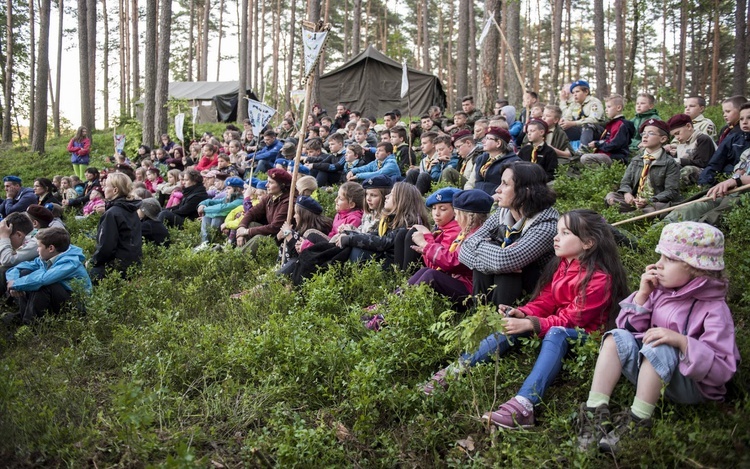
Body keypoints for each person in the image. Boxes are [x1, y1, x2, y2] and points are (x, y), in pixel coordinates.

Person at [576, 222, 739, 453]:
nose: (658, 265)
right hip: (652, 374)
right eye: (660, 256)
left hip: (691, 386)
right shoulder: (661, 292)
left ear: (698, 269)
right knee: (615, 337)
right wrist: (642, 296)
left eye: (670, 259)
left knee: (660, 345)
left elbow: (722, 369)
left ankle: (638, 420)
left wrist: (681, 341)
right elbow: (629, 329)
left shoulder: (714, 310)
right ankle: (595, 411)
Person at [470, 211, 628, 429]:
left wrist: (533, 323)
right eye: (557, 232)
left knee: (555, 332)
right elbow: (547, 300)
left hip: (587, 337)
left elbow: (573, 319)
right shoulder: (563, 264)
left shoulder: (600, 279)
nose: (556, 238)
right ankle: (459, 368)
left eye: (565, 233)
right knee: (514, 326)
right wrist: (523, 313)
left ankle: (525, 406)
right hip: (560, 327)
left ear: (588, 242)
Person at [459, 162, 559, 306]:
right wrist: (497, 258)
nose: (497, 189)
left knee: (508, 272)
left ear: (525, 190)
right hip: (502, 280)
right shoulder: (503, 212)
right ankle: (481, 317)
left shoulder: (547, 224)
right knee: (489, 266)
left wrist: (495, 258)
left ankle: (502, 322)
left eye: (505, 184)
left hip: (536, 294)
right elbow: (463, 250)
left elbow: (505, 261)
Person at [408, 189, 493, 307]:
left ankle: (387, 313)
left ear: (469, 217)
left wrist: (426, 245)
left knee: (432, 275)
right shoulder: (469, 232)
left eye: (457, 214)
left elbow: (455, 262)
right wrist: (427, 249)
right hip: (462, 282)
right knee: (425, 271)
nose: (456, 219)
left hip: (471, 291)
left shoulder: (478, 236)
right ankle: (388, 305)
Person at [3, 227, 91, 326]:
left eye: (39, 246)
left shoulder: (70, 262)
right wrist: (13, 280)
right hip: (58, 298)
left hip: (76, 305)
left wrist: (16, 284)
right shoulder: (48, 257)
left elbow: (43, 279)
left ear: (51, 248)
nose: (37, 250)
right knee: (24, 273)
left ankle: (31, 325)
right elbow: (17, 268)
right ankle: (24, 316)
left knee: (44, 286)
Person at [337, 182, 429, 267]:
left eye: (391, 194)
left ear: (402, 200)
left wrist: (351, 238)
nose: (386, 196)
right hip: (385, 261)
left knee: (357, 250)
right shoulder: (391, 219)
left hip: (392, 268)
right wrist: (349, 233)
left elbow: (383, 242)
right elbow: (373, 235)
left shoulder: (409, 222)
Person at [605, 119, 680, 213]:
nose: (645, 136)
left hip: (654, 201)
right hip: (635, 200)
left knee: (660, 206)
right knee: (611, 197)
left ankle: (636, 214)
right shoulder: (636, 159)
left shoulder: (669, 163)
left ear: (663, 139)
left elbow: (671, 191)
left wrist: (649, 200)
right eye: (643, 133)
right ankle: (637, 213)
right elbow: (625, 182)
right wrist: (627, 194)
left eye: (651, 133)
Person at [90, 173, 142, 281]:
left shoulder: (112, 213)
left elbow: (106, 246)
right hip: (133, 264)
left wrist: (93, 261)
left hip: (117, 266)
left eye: (106, 186)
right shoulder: (130, 209)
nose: (103, 188)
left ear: (115, 190)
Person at [235, 168, 292, 254]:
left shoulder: (289, 202)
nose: (266, 185)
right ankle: (234, 253)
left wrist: (246, 232)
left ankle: (235, 259)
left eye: (271, 183)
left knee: (258, 238)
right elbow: (252, 212)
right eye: (267, 181)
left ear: (282, 186)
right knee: (250, 224)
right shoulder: (270, 197)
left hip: (281, 239)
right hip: (271, 233)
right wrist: (241, 228)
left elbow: (275, 227)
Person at [698, 98, 750, 186]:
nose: (744, 122)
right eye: (741, 119)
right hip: (727, 180)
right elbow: (716, 162)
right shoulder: (732, 138)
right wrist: (703, 184)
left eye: (749, 118)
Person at [581, 94, 636, 166]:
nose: (606, 110)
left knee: (585, 158)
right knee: (580, 158)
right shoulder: (611, 123)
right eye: (605, 107)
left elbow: (615, 144)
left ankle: (601, 175)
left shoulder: (621, 124)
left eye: (609, 107)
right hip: (606, 155)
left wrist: (597, 144)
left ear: (618, 108)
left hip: (616, 157)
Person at [665, 113, 717, 185]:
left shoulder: (703, 139)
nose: (676, 137)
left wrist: (679, 161)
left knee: (687, 170)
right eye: (674, 135)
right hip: (685, 170)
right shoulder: (682, 142)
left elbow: (702, 163)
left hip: (704, 173)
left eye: (677, 133)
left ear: (689, 126)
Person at [195, 176, 245, 246]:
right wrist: (202, 204)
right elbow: (214, 201)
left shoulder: (240, 201)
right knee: (206, 215)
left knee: (217, 215)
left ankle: (213, 242)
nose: (226, 191)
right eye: (226, 188)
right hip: (225, 224)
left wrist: (205, 209)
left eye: (229, 188)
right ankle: (204, 242)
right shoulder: (228, 198)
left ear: (237, 190)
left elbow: (222, 208)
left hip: (230, 225)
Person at [470, 127, 520, 195]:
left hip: (495, 201)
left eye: (487, 138)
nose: (483, 141)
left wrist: (490, 200)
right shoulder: (481, 159)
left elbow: (509, 189)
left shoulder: (512, 162)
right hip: (476, 197)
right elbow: (472, 182)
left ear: (498, 143)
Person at [560, 79, 605, 146]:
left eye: (577, 92)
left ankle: (584, 150)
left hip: (596, 131)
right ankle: (559, 151)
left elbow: (594, 120)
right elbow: (567, 117)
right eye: (573, 93)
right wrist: (563, 122)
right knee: (559, 128)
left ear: (586, 92)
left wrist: (574, 123)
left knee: (587, 125)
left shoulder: (594, 102)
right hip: (580, 130)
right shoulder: (574, 104)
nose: (574, 95)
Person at [0, 213, 37, 292]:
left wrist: (4, 237)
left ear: (19, 235)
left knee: (3, 270)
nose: (8, 242)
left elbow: (7, 260)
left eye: (8, 238)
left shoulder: (35, 242)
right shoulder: (31, 239)